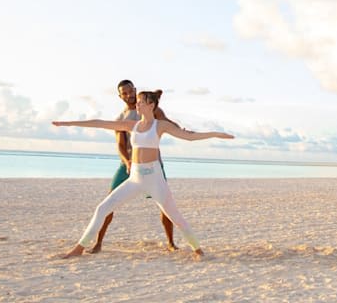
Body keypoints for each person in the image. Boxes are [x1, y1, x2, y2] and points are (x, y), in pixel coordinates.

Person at [53, 89, 234, 259]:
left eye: (140, 102)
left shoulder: (160, 125)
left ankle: (198, 250)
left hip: (155, 178)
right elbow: (100, 124)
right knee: (102, 208)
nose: (137, 105)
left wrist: (215, 134)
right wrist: (67, 123)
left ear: (151, 105)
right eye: (137, 102)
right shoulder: (132, 125)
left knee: (176, 217)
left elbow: (190, 136)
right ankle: (79, 248)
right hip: (135, 178)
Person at [91, 79, 177, 253]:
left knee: (165, 204)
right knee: (109, 203)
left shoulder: (152, 109)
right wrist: (126, 161)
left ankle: (171, 243)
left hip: (153, 165)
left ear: (135, 90)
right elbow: (121, 145)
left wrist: (183, 130)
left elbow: (167, 123)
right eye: (125, 93)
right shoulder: (121, 118)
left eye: (131, 91)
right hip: (129, 165)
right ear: (120, 96)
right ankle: (98, 243)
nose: (129, 95)